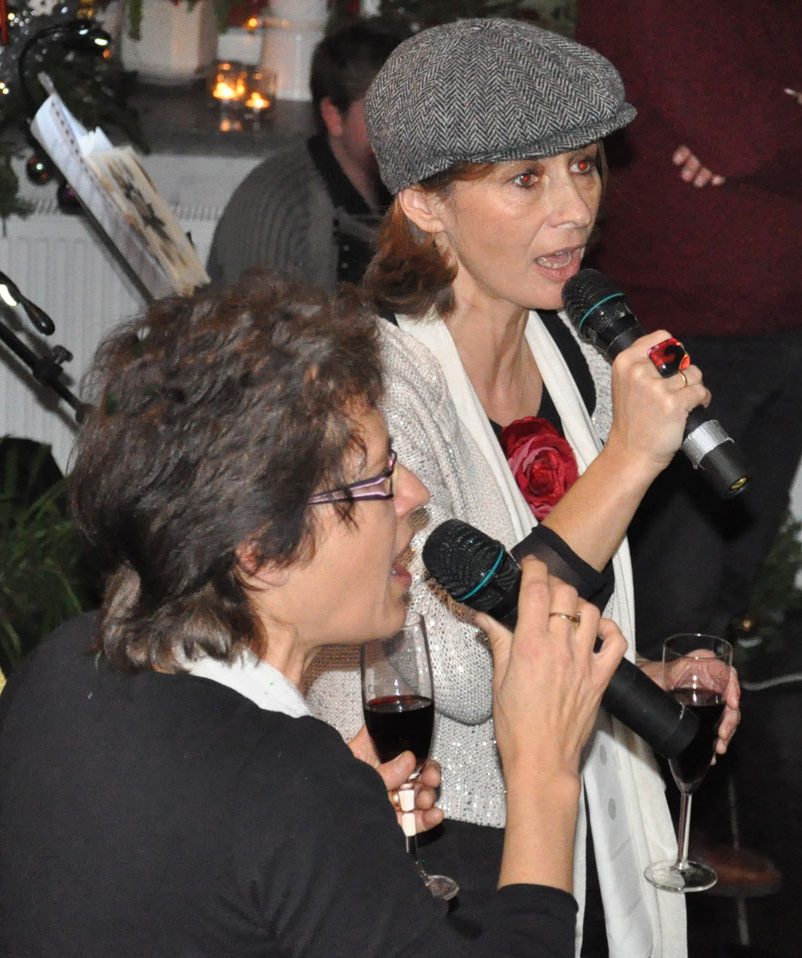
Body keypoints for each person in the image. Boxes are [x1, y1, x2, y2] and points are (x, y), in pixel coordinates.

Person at [0, 271, 628, 956]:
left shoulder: (61, 665)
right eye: (378, 477)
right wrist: (542, 772)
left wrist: (336, 833)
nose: (413, 494)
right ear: (262, 549)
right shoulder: (287, 788)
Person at [304, 20, 741, 958]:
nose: (574, 209)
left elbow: (564, 621)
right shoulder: (370, 384)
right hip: (438, 836)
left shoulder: (575, 347)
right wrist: (629, 460)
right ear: (424, 202)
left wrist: (642, 680)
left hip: (579, 807)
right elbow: (461, 672)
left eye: (583, 166)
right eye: (524, 179)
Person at [574, 0, 802, 658]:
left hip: (781, 319)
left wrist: (772, 127)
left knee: (727, 590)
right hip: (686, 326)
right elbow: (738, 132)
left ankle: (697, 718)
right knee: (671, 603)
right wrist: (776, 117)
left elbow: (749, 137)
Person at [207, 17, 409, 290]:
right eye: (385, 111)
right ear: (334, 117)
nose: (405, 126)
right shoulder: (279, 207)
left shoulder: (416, 191)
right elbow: (260, 316)